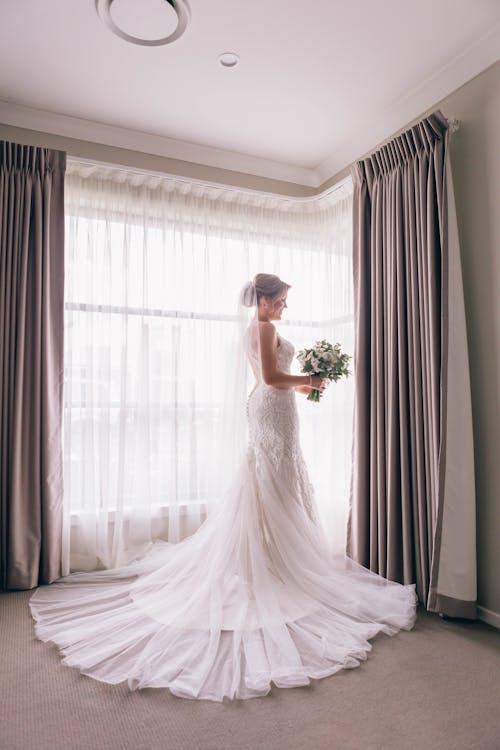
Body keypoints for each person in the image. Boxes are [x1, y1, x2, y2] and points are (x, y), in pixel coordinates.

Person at [29, 273, 417, 702]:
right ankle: (273, 565)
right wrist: (307, 380)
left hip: (271, 410)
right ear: (265, 300)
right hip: (271, 406)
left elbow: (266, 378)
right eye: (282, 300)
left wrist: (303, 384)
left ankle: (271, 561)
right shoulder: (264, 328)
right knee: (274, 482)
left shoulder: (259, 328)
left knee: (275, 484)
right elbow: (271, 377)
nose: (285, 307)